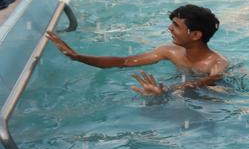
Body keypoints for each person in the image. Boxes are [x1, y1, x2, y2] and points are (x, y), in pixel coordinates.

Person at [46, 5, 227, 95]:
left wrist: (169, 90)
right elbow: (124, 62)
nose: (169, 28)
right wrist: (78, 57)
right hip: (179, 87)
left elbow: (213, 80)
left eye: (176, 26)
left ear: (195, 35)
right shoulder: (170, 52)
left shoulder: (217, 62)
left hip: (208, 97)